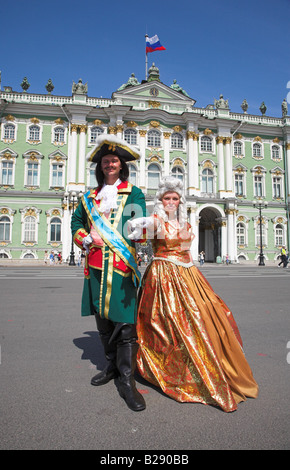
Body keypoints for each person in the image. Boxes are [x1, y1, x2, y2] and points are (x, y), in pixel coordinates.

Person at [128, 177, 258, 413]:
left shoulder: (186, 225)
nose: (170, 202)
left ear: (180, 201)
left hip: (188, 274)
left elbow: (187, 253)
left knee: (202, 317)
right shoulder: (157, 222)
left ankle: (204, 364)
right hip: (162, 276)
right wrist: (140, 222)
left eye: (174, 199)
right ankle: (166, 366)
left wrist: (193, 276)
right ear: (160, 200)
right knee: (164, 323)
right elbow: (141, 230)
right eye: (166, 198)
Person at [71, 134, 146, 412]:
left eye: (114, 161)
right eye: (105, 161)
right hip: (95, 267)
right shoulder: (88, 197)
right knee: (102, 320)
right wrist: (87, 238)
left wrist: (142, 229)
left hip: (121, 266)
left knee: (125, 324)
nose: (109, 165)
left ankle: (127, 381)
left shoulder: (133, 193)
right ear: (100, 166)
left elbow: (138, 224)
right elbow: (77, 223)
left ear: (121, 165)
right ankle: (112, 366)